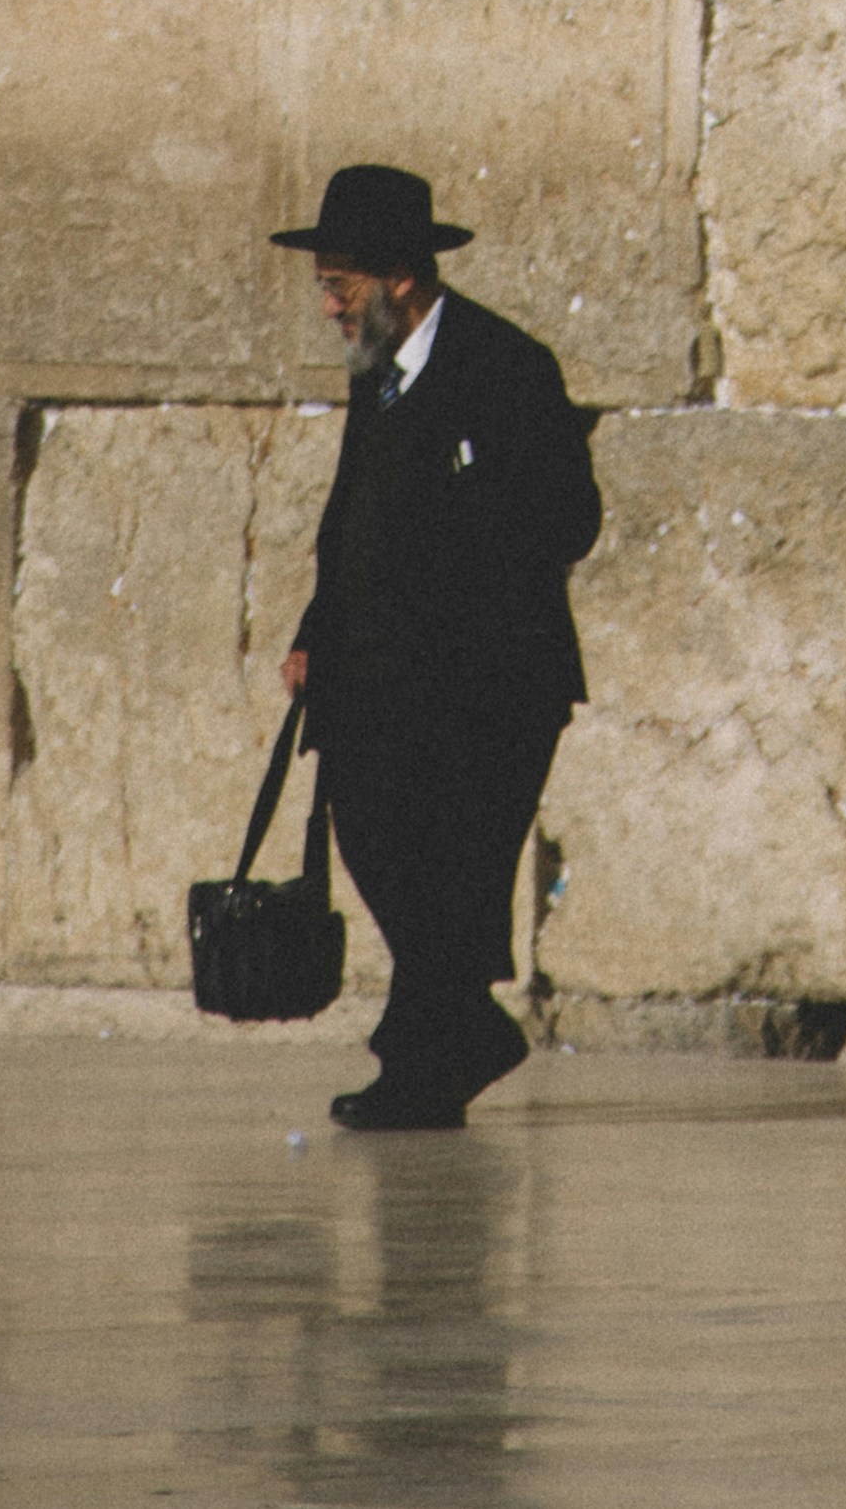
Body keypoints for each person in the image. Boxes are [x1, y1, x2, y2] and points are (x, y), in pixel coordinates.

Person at [273, 163, 602, 1134]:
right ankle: (460, 1031)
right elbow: (351, 519)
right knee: (377, 838)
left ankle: (420, 1063)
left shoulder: (506, 368)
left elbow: (568, 517)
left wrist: (468, 569)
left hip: (491, 680)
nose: (331, 305)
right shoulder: (378, 370)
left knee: (454, 867)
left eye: (342, 284)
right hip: (381, 678)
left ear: (401, 279)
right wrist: (312, 630)